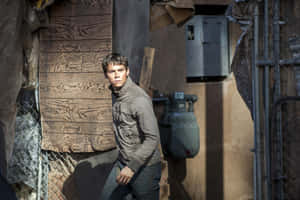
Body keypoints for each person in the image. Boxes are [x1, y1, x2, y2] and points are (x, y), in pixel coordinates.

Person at [100, 53, 161, 200]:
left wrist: (132, 167)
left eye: (120, 70)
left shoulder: (138, 99)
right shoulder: (116, 94)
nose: (116, 75)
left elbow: (153, 138)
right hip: (123, 161)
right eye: (112, 71)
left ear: (127, 71)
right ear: (106, 75)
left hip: (145, 167)